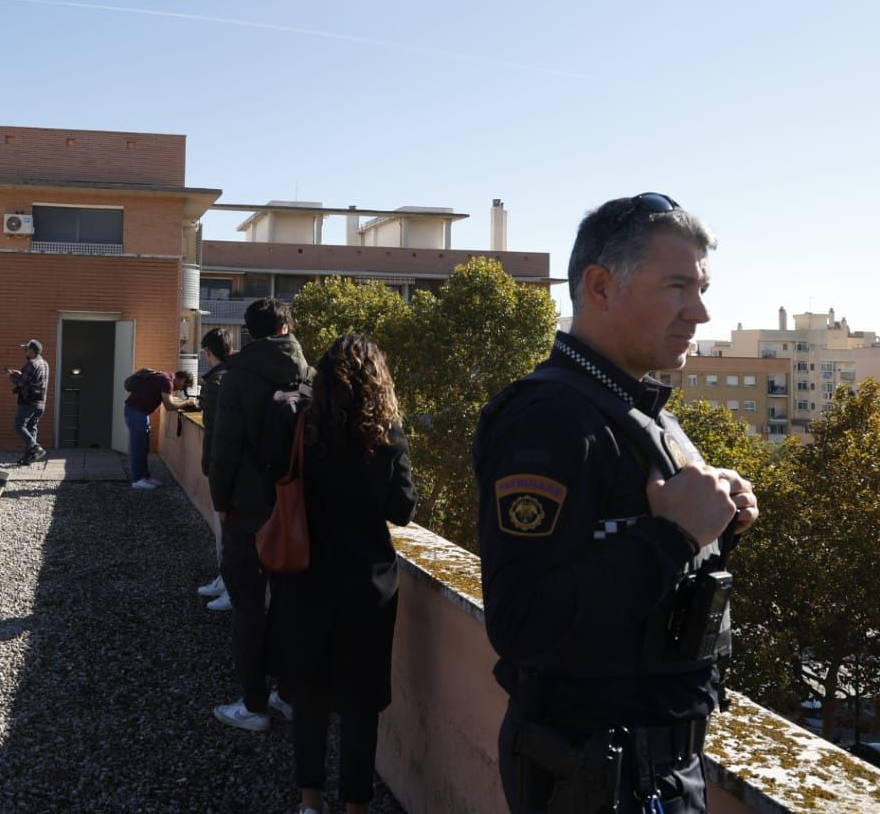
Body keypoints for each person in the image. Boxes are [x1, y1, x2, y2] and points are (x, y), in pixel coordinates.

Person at [474, 194, 759, 814]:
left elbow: (639, 576)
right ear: (600, 286)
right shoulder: (548, 419)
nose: (701, 311)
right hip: (594, 775)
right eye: (678, 286)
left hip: (655, 769)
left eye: (702, 287)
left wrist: (715, 525)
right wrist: (673, 535)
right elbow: (521, 624)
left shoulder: (637, 409)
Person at [269, 334, 416, 814]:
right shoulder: (387, 432)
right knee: (360, 703)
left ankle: (309, 802)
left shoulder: (301, 426)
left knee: (308, 694)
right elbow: (403, 510)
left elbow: (276, 476)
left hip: (305, 577)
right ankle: (356, 806)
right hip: (366, 585)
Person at [209, 297, 312, 732]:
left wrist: (222, 502)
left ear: (250, 333)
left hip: (249, 511)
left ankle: (253, 705)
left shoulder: (237, 378)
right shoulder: (311, 376)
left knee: (249, 609)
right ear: (287, 328)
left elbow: (224, 449)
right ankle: (289, 694)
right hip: (298, 511)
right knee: (292, 606)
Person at [196, 328, 236, 610]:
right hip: (237, 466)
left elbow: (214, 432)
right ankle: (225, 580)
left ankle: (229, 584)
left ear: (208, 352)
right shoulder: (235, 377)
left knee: (226, 531)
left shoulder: (216, 383)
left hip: (223, 466)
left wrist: (209, 466)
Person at [123, 367, 196, 489]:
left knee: (144, 447)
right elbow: (169, 405)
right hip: (136, 412)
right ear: (182, 379)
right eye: (184, 386)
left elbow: (169, 400)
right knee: (138, 447)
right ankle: (138, 480)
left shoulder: (165, 377)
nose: (182, 389)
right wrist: (187, 403)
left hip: (140, 413)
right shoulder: (166, 381)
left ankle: (145, 477)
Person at [10, 339, 51, 466]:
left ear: (32, 351)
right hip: (40, 402)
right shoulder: (44, 363)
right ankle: (29, 458)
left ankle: (36, 447)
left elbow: (22, 383)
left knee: (19, 425)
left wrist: (12, 376)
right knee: (31, 427)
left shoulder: (31, 364)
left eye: (26, 349)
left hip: (28, 401)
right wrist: (21, 374)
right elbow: (33, 379)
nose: (25, 351)